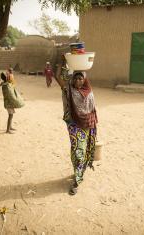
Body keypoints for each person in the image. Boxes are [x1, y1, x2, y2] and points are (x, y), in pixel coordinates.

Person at [53, 62, 97, 196]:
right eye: (76, 78)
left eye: (80, 78)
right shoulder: (68, 89)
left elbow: (92, 110)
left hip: (87, 125)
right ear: (73, 79)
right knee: (77, 150)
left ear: (84, 80)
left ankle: (78, 176)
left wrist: (91, 123)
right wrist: (60, 63)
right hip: (73, 124)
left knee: (82, 151)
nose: (78, 81)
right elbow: (57, 76)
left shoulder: (89, 92)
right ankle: (77, 178)